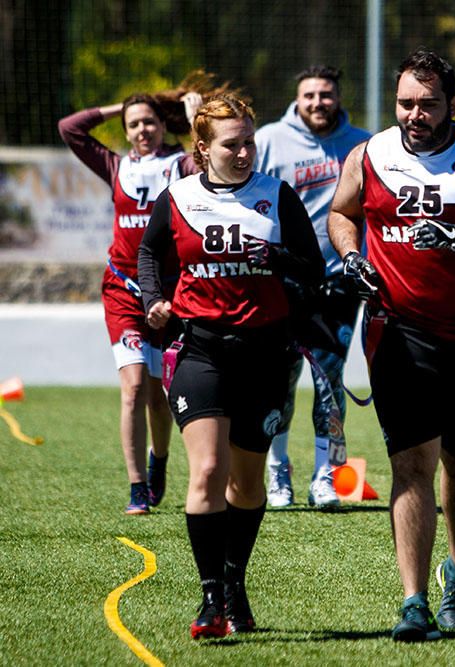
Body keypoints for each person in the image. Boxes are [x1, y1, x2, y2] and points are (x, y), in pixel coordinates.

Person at [326, 49, 455, 642]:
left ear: (454, 104)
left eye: (428, 104)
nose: (415, 115)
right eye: (406, 104)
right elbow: (340, 214)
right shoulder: (369, 154)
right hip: (399, 332)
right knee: (410, 464)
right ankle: (413, 600)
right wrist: (351, 257)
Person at [137, 94, 324, 638]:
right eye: (231, 144)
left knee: (245, 484)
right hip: (202, 350)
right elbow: (149, 253)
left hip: (265, 354)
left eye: (249, 142)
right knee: (208, 472)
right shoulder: (178, 198)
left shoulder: (277, 195)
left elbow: (311, 268)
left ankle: (235, 579)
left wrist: (278, 259)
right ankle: (211, 600)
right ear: (203, 148)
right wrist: (154, 298)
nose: (244, 152)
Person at [58, 88, 203, 515]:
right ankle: (137, 485)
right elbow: (70, 128)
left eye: (150, 121)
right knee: (134, 386)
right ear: (125, 130)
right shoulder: (116, 166)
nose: (143, 129)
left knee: (160, 395)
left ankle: (160, 459)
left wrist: (194, 121)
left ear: (162, 125)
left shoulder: (181, 164)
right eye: (134, 123)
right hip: (123, 287)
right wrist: (118, 106)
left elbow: (211, 160)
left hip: (169, 292)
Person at [255, 65, 371, 510]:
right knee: (279, 381)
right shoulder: (268, 141)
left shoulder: (362, 144)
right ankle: (278, 471)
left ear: (338, 97)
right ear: (296, 99)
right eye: (309, 95)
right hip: (282, 282)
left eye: (326, 94)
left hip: (338, 283)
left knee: (329, 381)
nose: (318, 102)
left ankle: (327, 476)